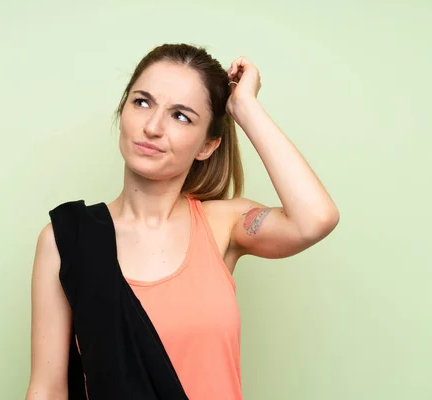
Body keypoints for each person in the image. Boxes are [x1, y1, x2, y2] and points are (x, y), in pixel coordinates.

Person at [25, 43, 340, 400]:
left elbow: (315, 218)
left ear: (208, 145)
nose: (153, 127)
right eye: (142, 102)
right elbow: (47, 390)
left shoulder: (223, 224)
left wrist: (245, 107)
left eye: (181, 116)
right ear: (122, 109)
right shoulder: (66, 240)